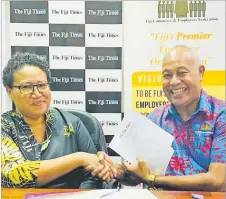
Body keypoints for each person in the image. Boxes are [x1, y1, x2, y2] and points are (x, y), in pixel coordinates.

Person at [89, 45, 226, 191]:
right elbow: (137, 176)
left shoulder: (220, 114)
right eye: (167, 75)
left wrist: (152, 179)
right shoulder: (156, 117)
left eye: (182, 73)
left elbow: (217, 181)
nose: (174, 82)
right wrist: (115, 171)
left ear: (200, 72)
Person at [1, 52, 113, 188]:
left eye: (42, 85)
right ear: (9, 91)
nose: (37, 93)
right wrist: (79, 158)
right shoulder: (4, 126)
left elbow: (93, 175)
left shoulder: (72, 122)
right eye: (26, 87)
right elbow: (15, 176)